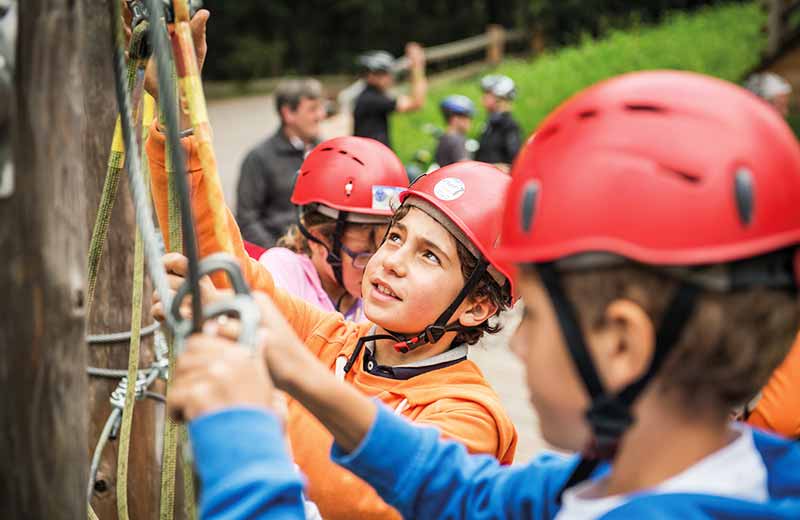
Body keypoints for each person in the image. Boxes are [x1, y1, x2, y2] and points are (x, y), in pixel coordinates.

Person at [168, 71, 800, 519]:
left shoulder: (489, 422)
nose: (518, 344)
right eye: (394, 239)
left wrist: (245, 430)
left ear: (623, 341)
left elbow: (385, 501)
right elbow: (459, 493)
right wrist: (181, 119)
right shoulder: (601, 483)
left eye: (540, 317)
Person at [147, 106, 519, 518]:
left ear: (477, 306)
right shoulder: (333, 338)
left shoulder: (469, 414)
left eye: (429, 256)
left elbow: (375, 502)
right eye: (395, 236)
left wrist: (251, 405)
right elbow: (226, 269)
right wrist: (177, 113)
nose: (392, 260)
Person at [259, 136, 408, 321]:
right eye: (364, 255)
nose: (378, 269)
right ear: (318, 240)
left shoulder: (375, 298)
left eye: (385, 250)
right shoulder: (283, 272)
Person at [235, 78, 325, 247]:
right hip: (278, 257)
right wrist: (278, 256)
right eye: (312, 109)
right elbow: (247, 219)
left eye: (320, 108)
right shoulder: (258, 158)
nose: (321, 115)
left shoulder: (326, 152)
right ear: (288, 114)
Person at [352, 45, 427, 149]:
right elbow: (416, 103)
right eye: (383, 73)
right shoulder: (371, 99)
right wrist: (417, 67)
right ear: (370, 75)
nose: (389, 77)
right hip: (373, 160)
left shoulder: (371, 96)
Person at [475, 74, 522, 172]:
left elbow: (516, 162)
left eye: (487, 93)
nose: (483, 98)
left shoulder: (509, 126)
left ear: (500, 97)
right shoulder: (489, 126)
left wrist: (495, 168)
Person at [435, 95, 475, 167]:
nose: (470, 121)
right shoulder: (456, 140)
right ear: (455, 119)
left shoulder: (445, 137)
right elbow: (466, 168)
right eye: (468, 117)